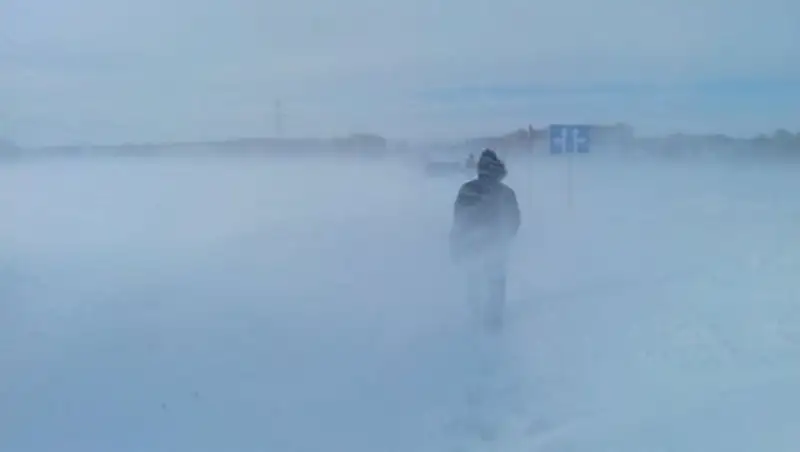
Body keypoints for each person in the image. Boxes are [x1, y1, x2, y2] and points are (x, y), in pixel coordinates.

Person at [449, 149, 521, 332]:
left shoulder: (466, 189)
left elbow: (459, 219)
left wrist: (457, 244)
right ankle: (493, 320)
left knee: (473, 278)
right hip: (495, 244)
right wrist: (504, 238)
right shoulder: (506, 193)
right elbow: (514, 221)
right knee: (496, 280)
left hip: (470, 244)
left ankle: (475, 314)